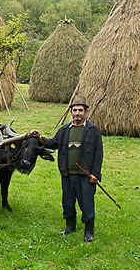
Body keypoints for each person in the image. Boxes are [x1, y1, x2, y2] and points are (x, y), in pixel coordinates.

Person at [31, 95, 103, 242]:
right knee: (68, 202)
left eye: (80, 110)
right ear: (71, 112)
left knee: (87, 203)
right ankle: (70, 227)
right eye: (75, 110)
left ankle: (89, 231)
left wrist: (95, 173)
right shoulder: (64, 130)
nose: (77, 113)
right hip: (67, 174)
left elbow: (99, 153)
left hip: (86, 176)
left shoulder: (93, 130)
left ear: (85, 112)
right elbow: (52, 143)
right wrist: (39, 138)